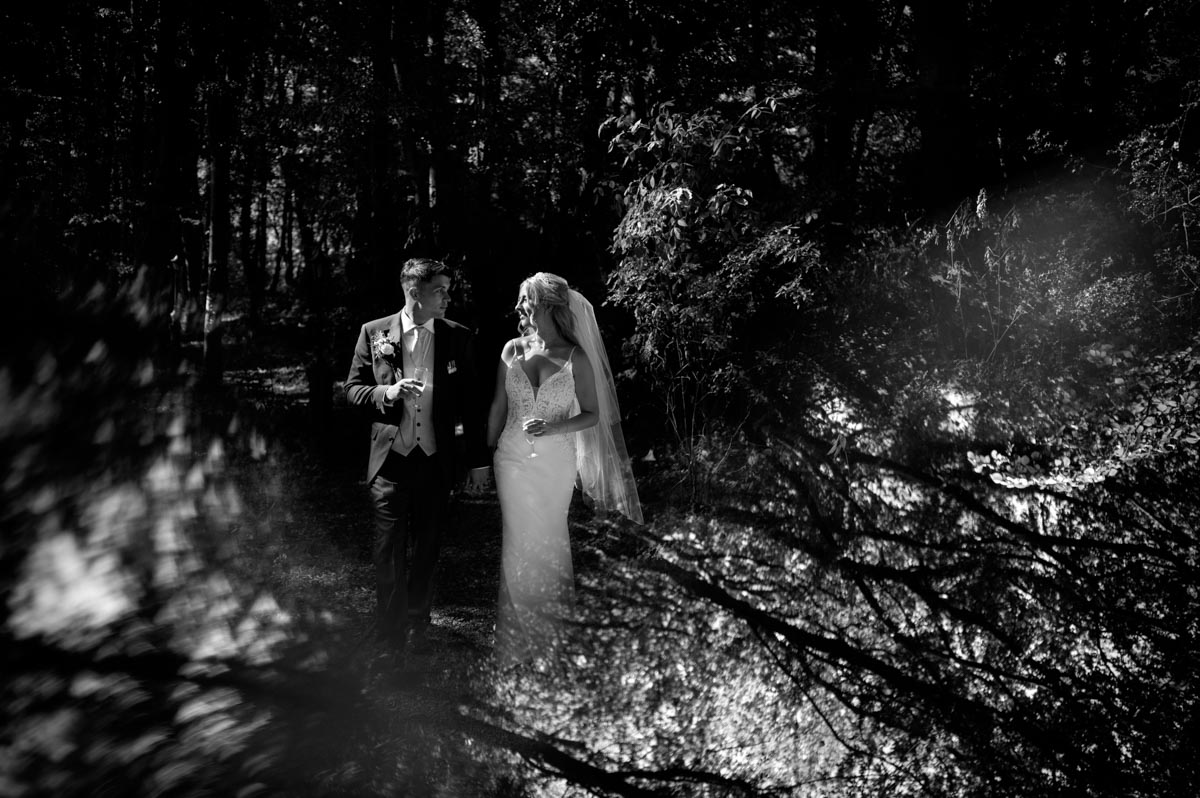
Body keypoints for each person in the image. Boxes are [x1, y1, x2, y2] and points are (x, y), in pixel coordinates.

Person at [485, 272, 642, 665]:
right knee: (517, 541)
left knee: (549, 540)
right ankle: (515, 643)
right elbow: (498, 408)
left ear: (550, 306)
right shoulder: (511, 350)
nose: (521, 307)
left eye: (528, 300)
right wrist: (480, 459)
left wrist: (555, 426)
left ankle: (551, 639)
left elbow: (591, 414)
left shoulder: (577, 356)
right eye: (521, 300)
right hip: (511, 458)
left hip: (555, 462)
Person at [345, 257, 490, 658]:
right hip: (391, 461)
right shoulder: (374, 333)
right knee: (388, 549)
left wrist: (478, 461)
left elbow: (471, 407)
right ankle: (390, 635)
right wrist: (385, 394)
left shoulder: (458, 337)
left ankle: (417, 624)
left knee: (427, 547)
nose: (448, 297)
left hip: (434, 459)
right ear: (414, 293)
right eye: (439, 290)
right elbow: (352, 389)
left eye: (447, 289)